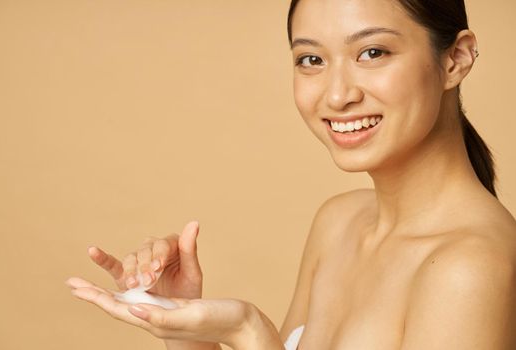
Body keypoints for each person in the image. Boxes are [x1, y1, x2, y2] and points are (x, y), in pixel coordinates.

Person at [66, 0, 516, 349]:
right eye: (311, 60)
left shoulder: (471, 268)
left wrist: (250, 333)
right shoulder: (339, 222)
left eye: (372, 52)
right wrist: (183, 327)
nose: (337, 95)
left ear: (456, 59)